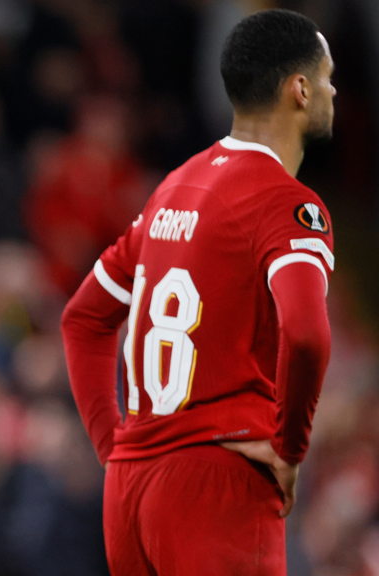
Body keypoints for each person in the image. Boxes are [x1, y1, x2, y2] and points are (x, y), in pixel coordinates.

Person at [60, 9, 335, 575]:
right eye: (328, 77)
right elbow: (306, 334)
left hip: (132, 492)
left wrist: (115, 447)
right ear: (300, 90)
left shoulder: (174, 187)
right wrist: (289, 449)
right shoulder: (288, 203)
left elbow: (83, 318)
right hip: (219, 480)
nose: (335, 91)